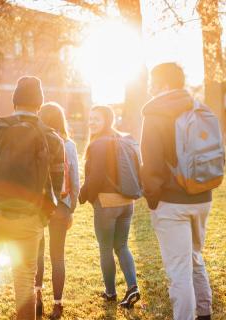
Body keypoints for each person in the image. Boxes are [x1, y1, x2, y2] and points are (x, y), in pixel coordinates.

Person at [0, 76, 65, 320]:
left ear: (15, 101)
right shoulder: (52, 137)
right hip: (29, 217)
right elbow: (56, 183)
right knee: (24, 278)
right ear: (39, 104)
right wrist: (43, 215)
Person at [140, 62, 213, 320]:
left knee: (179, 271)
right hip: (203, 196)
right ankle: (204, 313)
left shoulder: (155, 114)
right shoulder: (199, 108)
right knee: (194, 257)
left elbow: (151, 164)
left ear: (165, 85)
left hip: (172, 202)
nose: (149, 88)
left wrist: (152, 200)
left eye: (153, 82)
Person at [78, 105, 140, 309]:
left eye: (96, 118)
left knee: (105, 248)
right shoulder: (124, 139)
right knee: (122, 246)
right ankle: (132, 287)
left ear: (107, 120)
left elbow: (94, 178)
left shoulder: (98, 145)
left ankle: (111, 292)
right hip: (127, 203)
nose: (92, 122)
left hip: (107, 203)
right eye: (90, 118)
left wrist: (83, 195)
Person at [34, 102, 80, 319]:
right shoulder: (69, 145)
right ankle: (58, 304)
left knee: (38, 253)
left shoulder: (35, 142)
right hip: (61, 205)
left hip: (38, 205)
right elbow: (75, 182)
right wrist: (70, 208)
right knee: (58, 255)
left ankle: (37, 299)